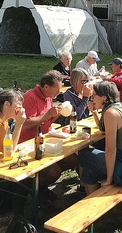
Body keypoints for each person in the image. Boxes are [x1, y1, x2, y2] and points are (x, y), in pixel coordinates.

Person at [19, 70, 78, 203]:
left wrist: (57, 114)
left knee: (73, 160)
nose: (59, 92)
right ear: (46, 86)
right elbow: (26, 125)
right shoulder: (30, 97)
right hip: (30, 144)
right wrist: (48, 114)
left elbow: (46, 122)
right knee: (54, 172)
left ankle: (40, 184)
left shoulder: (48, 96)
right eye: (56, 89)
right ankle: (28, 188)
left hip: (46, 139)